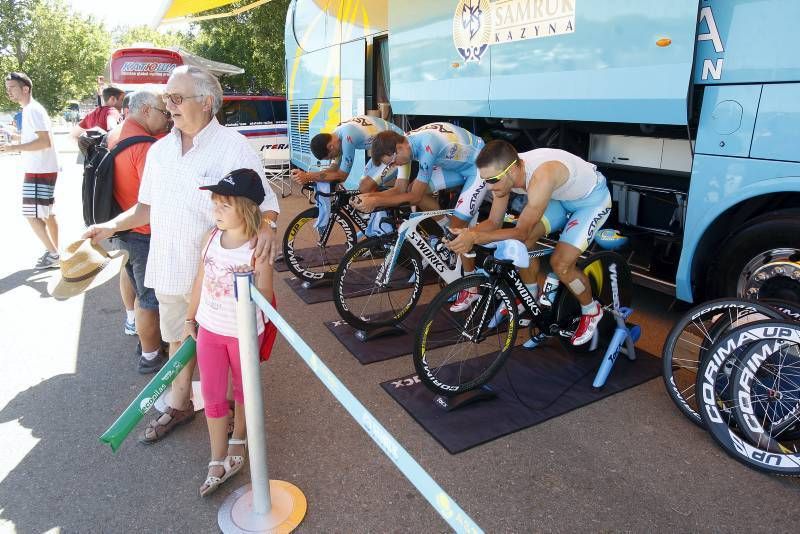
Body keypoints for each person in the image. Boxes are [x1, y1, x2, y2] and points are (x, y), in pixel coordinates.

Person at [83, 65, 280, 443]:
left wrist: (268, 227)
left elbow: (266, 202)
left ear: (206, 102)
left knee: (228, 348)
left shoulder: (234, 147)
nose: (167, 106)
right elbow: (145, 208)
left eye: (176, 98)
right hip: (173, 266)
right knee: (178, 338)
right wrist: (110, 226)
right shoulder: (159, 151)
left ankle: (233, 418)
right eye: (165, 99)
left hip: (221, 273)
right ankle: (181, 403)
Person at [445, 140, 613, 345]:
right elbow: (493, 222)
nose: (489, 186)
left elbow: (521, 232)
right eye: (485, 180)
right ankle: (530, 293)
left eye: (493, 180)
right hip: (558, 198)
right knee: (519, 245)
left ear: (513, 169)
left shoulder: (542, 175)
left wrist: (476, 237)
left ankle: (591, 310)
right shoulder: (504, 175)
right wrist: (466, 233)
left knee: (560, 264)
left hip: (590, 202)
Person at [182, 168, 274, 496]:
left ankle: (239, 441)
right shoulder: (210, 238)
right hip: (209, 327)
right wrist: (190, 316)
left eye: (225, 206)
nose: (216, 211)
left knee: (244, 391)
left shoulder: (256, 248)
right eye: (215, 204)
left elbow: (265, 294)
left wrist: (253, 275)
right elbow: (199, 279)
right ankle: (216, 456)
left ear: (247, 209)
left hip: (244, 333)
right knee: (212, 394)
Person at [353, 122, 490, 310]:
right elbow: (401, 189)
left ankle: (471, 288)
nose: (394, 165)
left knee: (458, 229)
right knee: (413, 188)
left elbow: (415, 197)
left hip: (479, 166)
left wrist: (376, 201)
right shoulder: (404, 146)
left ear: (399, 148)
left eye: (392, 162)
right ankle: (447, 233)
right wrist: (370, 196)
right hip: (457, 165)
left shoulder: (427, 146)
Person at [105, 88, 173, 372]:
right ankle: (150, 355)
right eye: (164, 112)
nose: (167, 118)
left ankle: (147, 343)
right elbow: (156, 197)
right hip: (144, 231)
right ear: (146, 110)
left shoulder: (117, 134)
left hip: (126, 227)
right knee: (150, 298)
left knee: (137, 286)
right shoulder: (144, 146)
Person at [1, 72, 61, 269]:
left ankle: (53, 254)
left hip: (39, 170)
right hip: (43, 168)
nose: (8, 91)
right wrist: (16, 139)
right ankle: (54, 250)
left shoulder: (33, 110)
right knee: (48, 213)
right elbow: (37, 139)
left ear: (25, 88)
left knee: (31, 214)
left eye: (12, 88)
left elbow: (44, 141)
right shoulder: (31, 109)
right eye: (7, 87)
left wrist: (13, 147)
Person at [292, 115, 407, 193]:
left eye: (331, 157)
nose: (333, 158)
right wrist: (306, 175)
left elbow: (342, 176)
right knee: (363, 186)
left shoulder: (348, 138)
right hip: (383, 151)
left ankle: (391, 221)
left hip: (399, 149)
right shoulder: (336, 135)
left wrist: (308, 177)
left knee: (365, 187)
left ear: (330, 147)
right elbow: (333, 169)